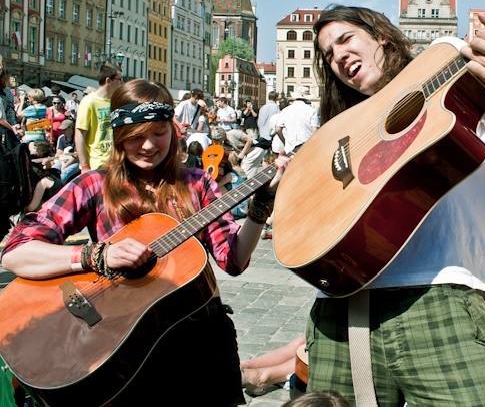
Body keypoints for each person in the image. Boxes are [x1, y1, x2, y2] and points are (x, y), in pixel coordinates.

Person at [294, 5, 485, 406]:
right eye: (327, 54)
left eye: (345, 39)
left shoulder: (443, 59)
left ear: (381, 37)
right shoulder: (343, 126)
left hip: (441, 294)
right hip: (344, 306)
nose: (337, 56)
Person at [0, 79, 288, 406]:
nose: (149, 145)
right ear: (119, 137)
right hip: (123, 342)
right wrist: (95, 254)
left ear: (173, 132)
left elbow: (232, 259)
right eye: (136, 135)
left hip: (199, 341)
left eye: (158, 133)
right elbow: (16, 252)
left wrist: (261, 205)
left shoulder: (196, 184)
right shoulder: (96, 185)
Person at [75, 63, 123, 172]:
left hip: (117, 162)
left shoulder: (117, 101)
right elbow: (80, 135)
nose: (122, 83)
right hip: (97, 164)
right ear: (108, 81)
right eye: (119, 79)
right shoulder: (89, 102)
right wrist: (84, 166)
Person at [274, 87, 319, 154]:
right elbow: (314, 130)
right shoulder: (311, 111)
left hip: (290, 148)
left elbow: (278, 129)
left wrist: (285, 141)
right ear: (306, 99)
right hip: (306, 147)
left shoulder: (285, 110)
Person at [53, 119, 79, 183]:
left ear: (71, 128)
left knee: (65, 172)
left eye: (64, 129)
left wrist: (66, 165)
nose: (62, 131)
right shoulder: (61, 138)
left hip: (76, 161)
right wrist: (62, 163)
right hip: (63, 160)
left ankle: (59, 188)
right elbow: (59, 153)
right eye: (62, 129)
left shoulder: (77, 138)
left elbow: (76, 156)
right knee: (54, 168)